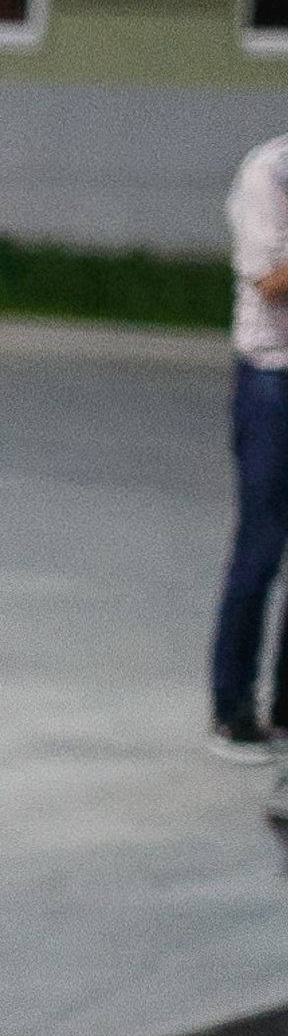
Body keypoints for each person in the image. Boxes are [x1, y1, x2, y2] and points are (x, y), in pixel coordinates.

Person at [210, 128, 288, 757]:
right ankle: (232, 710)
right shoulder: (269, 172)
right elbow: (269, 280)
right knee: (260, 549)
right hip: (271, 380)